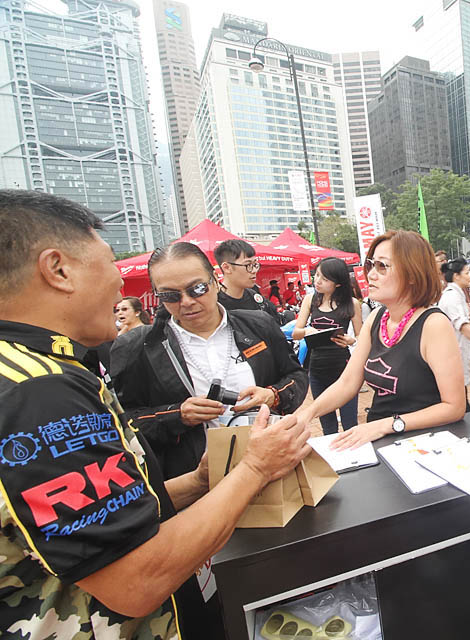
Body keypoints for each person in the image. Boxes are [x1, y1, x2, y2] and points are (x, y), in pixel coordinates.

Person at [0, 189, 312, 639]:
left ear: (215, 281)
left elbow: (115, 509)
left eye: (197, 289)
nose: (116, 283)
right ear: (58, 269)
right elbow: (134, 578)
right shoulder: (39, 392)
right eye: (110, 263)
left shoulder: (44, 370)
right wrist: (252, 464)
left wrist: (202, 482)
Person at [110, 242, 308, 480]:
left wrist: (273, 395)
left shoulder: (258, 324)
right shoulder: (137, 346)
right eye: (170, 295)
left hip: (273, 472)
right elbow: (126, 421)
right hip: (194, 482)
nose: (186, 302)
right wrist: (177, 415)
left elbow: (296, 377)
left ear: (215, 280)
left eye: (197, 288)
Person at [296, 230, 465, 450]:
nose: (371, 275)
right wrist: (307, 413)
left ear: (412, 274)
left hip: (427, 444)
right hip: (382, 441)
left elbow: (454, 406)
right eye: (372, 265)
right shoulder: (377, 318)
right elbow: (348, 382)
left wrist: (388, 425)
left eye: (382, 266)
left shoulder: (433, 324)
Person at [291, 258, 362, 436]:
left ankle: (354, 461)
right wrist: (308, 331)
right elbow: (295, 332)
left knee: (350, 423)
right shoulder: (310, 300)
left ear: (338, 284)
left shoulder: (351, 304)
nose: (318, 281)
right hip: (317, 368)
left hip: (344, 369)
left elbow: (361, 337)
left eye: (325, 278)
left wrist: (350, 340)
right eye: (317, 276)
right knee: (327, 424)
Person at [439, 258, 470, 413]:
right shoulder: (451, 297)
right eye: (466, 272)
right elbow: (462, 326)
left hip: (458, 354)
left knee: (461, 398)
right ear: (456, 276)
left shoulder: (456, 295)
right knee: (459, 401)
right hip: (452, 357)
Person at [215, 239, 281, 323]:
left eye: (255, 265)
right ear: (227, 268)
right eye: (248, 265)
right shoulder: (215, 304)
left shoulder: (256, 298)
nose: (254, 270)